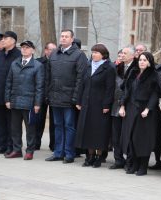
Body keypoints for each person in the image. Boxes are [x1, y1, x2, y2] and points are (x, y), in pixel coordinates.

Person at [45, 29, 88, 164]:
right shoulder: (54, 54)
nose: (63, 38)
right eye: (62, 36)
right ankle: (58, 152)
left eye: (66, 36)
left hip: (69, 98)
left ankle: (69, 154)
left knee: (69, 126)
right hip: (55, 97)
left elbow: (81, 78)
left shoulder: (79, 55)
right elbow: (48, 77)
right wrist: (48, 94)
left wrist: (76, 97)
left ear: (72, 39)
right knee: (57, 125)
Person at [119, 52, 161, 176]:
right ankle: (134, 164)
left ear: (149, 62)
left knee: (143, 139)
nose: (142, 62)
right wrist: (122, 106)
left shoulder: (154, 75)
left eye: (145, 60)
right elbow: (126, 91)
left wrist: (148, 109)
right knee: (131, 138)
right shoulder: (133, 73)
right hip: (131, 108)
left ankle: (143, 166)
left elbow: (155, 94)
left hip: (145, 110)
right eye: (140, 60)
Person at [75, 44, 115, 168]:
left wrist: (106, 104)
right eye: (93, 52)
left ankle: (98, 157)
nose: (94, 54)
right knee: (87, 131)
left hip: (100, 105)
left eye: (97, 52)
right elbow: (81, 84)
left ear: (103, 55)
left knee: (98, 132)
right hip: (87, 103)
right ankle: (89, 156)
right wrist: (78, 101)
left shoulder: (108, 67)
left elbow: (110, 88)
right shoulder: (88, 65)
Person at [4, 40, 44, 160]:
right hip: (15, 101)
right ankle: (17, 150)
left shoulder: (38, 66)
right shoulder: (15, 63)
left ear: (33, 50)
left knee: (30, 128)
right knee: (15, 128)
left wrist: (37, 103)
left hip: (30, 103)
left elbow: (39, 86)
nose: (24, 49)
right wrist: (7, 99)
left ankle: (30, 151)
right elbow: (8, 82)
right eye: (22, 48)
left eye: (27, 47)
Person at [0, 31, 21, 155]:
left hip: (10, 95)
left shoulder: (18, 55)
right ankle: (1, 145)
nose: (3, 40)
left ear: (13, 41)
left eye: (6, 38)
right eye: (2, 39)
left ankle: (11, 146)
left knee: (10, 122)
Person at [35, 42, 57, 151]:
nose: (52, 52)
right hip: (41, 95)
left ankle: (53, 145)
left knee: (54, 122)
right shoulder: (38, 62)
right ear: (46, 50)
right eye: (50, 49)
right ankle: (35, 143)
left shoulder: (58, 62)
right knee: (39, 120)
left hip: (53, 96)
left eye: (55, 50)